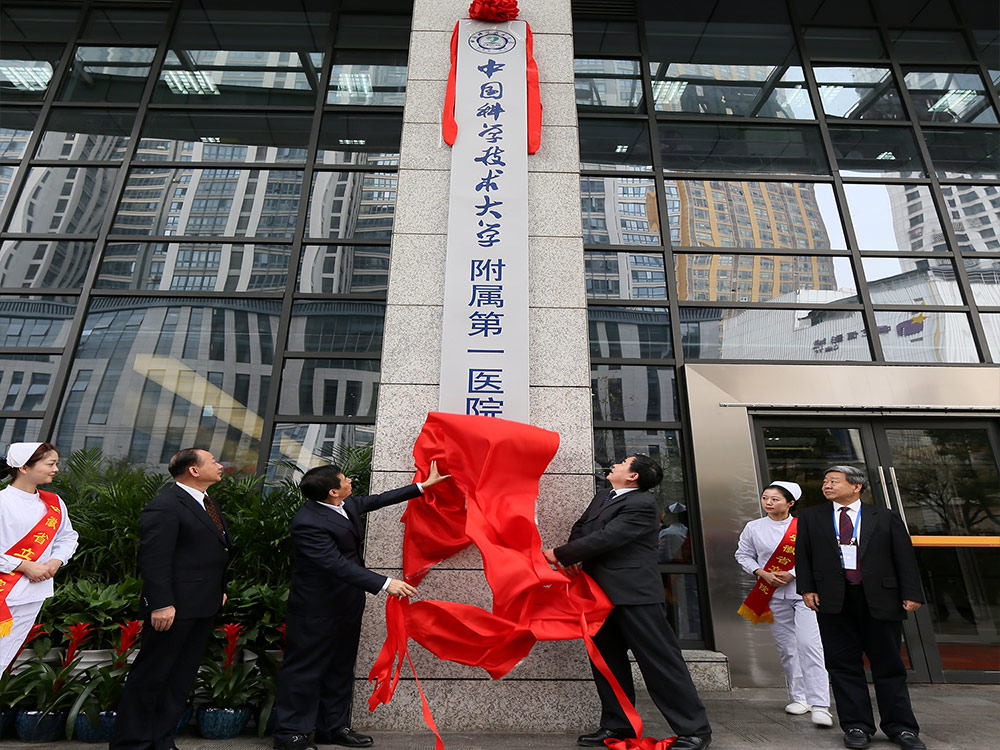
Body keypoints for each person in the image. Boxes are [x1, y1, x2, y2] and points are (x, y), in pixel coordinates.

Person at [272, 460, 451, 750]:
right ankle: (291, 733)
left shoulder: (344, 505)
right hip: (315, 607)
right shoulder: (308, 522)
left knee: (341, 665)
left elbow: (377, 500)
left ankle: (333, 727)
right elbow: (333, 563)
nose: (350, 480)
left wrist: (423, 486)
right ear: (333, 491)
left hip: (346, 601)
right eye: (344, 479)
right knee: (305, 667)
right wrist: (384, 583)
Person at [543, 455, 712, 750]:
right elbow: (582, 527)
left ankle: (694, 730)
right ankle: (617, 726)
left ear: (633, 476)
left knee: (660, 662)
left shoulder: (642, 504)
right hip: (599, 595)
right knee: (607, 663)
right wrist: (572, 556)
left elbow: (610, 537)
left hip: (636, 596)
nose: (615, 464)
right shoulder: (602, 497)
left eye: (623, 462)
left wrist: (561, 554)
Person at [796, 466, 926, 750]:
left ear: (856, 487)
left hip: (881, 597)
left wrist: (911, 592)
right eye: (825, 481)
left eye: (834, 481)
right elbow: (803, 555)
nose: (827, 486)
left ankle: (901, 728)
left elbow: (903, 556)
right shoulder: (810, 517)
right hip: (833, 598)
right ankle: (856, 725)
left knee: (889, 664)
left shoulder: (885, 516)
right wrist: (806, 589)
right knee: (843, 665)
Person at [110, 448, 232, 750]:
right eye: (213, 462)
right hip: (173, 607)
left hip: (203, 603)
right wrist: (161, 603)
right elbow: (155, 560)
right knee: (152, 676)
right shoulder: (165, 505)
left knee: (180, 678)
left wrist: (221, 589)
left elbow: (213, 551)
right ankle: (131, 743)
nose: (220, 466)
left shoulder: (207, 503)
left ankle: (160, 739)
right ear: (193, 470)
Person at [735, 481, 831, 727]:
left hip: (804, 593)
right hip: (773, 594)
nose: (768, 502)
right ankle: (799, 698)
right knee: (788, 648)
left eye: (775, 499)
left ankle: (820, 703)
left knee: (810, 644)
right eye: (765, 498)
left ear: (790, 503)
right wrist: (761, 573)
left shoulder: (805, 526)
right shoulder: (754, 527)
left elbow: (818, 555)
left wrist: (794, 573)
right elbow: (742, 554)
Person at [0, 442, 78, 671]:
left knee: (4, 659)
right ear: (24, 467)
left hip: (32, 593)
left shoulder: (53, 503)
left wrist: (55, 562)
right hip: (4, 591)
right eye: (50, 463)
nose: (55, 469)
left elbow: (68, 537)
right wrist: (24, 565)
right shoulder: (2, 502)